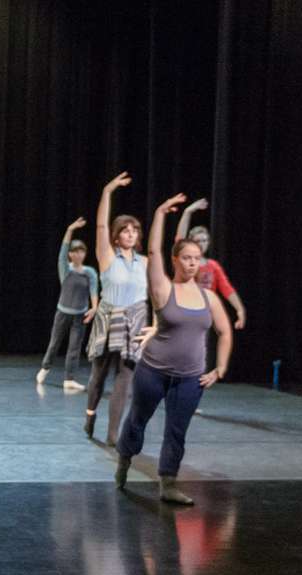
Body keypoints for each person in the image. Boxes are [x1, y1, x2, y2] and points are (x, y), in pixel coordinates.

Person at [115, 194, 232, 505]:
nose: (193, 263)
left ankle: (168, 483)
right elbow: (153, 251)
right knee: (137, 420)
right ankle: (124, 458)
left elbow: (224, 331)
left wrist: (220, 368)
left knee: (176, 431)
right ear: (175, 260)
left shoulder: (209, 297)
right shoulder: (164, 289)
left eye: (197, 258)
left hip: (190, 378)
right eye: (187, 257)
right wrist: (160, 213)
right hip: (153, 372)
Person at [85, 172, 148, 445]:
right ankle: (90, 414)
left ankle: (113, 434)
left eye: (134, 230)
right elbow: (100, 226)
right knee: (99, 376)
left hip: (135, 320)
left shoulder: (145, 262)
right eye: (125, 229)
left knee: (125, 377)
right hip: (109, 317)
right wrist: (107, 191)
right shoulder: (107, 256)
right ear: (116, 235)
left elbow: (157, 293)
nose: (130, 233)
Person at [37, 218, 99, 390]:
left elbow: (94, 290)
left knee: (74, 347)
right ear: (71, 254)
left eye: (81, 251)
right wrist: (70, 229)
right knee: (54, 343)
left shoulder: (89, 272)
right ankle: (45, 368)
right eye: (75, 252)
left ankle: (69, 379)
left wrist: (94, 308)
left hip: (80, 315)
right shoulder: (65, 269)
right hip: (63, 313)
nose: (79, 254)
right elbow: (62, 251)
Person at [174, 198, 247, 330]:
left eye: (205, 240)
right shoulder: (186, 260)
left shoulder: (213, 266)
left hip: (203, 315)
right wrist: (188, 212)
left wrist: (239, 309)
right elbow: (179, 240)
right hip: (185, 310)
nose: (202, 244)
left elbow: (226, 289)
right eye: (198, 241)